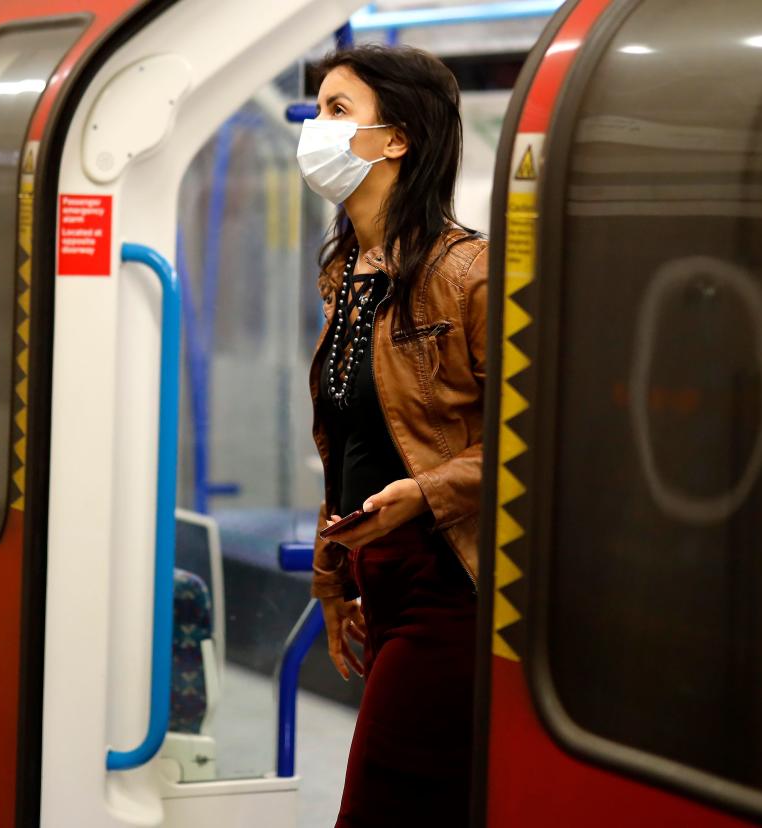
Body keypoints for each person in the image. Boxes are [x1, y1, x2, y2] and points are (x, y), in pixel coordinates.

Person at [297, 44, 488, 827]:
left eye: (338, 112)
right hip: (381, 579)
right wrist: (333, 576)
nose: (315, 129)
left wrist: (425, 494)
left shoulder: (467, 273)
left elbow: (545, 438)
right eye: (316, 111)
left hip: (452, 586)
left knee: (380, 805)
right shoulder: (344, 274)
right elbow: (348, 441)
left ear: (398, 140)